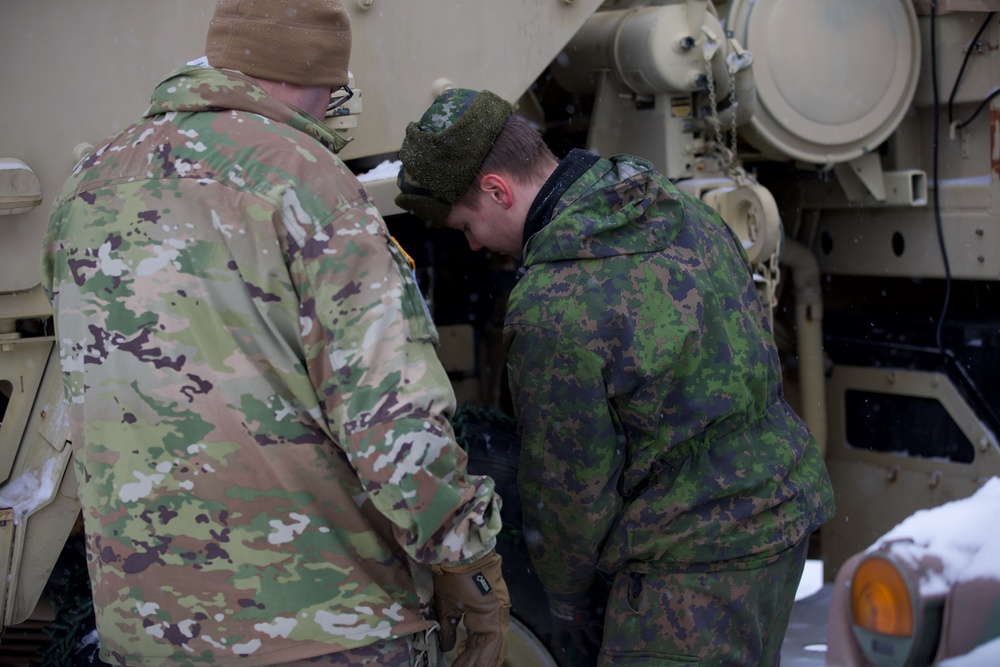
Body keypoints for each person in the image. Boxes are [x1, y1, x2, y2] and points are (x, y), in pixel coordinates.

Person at [39, 3, 510, 666]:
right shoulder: (308, 182)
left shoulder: (87, 186)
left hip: (144, 632)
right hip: (318, 628)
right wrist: (469, 562)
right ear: (322, 80)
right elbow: (392, 419)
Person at [395, 88, 836, 666]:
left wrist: (568, 599)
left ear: (499, 191)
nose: (473, 244)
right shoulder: (680, 212)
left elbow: (569, 485)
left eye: (465, 226)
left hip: (690, 565)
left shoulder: (553, 302)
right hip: (779, 520)